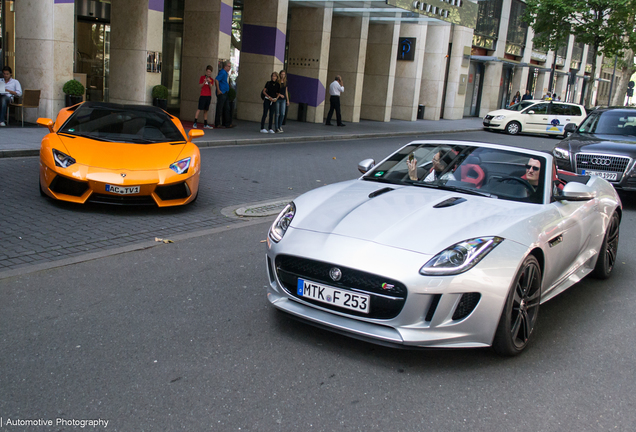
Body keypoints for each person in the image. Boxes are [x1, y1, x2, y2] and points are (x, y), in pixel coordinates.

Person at [214, 60, 234, 129]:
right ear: (225, 66)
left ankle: (226, 123)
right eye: (228, 66)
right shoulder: (222, 72)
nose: (229, 68)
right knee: (220, 108)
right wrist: (218, 90)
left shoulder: (225, 73)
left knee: (226, 108)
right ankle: (218, 123)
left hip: (225, 92)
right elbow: (216, 80)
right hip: (222, 92)